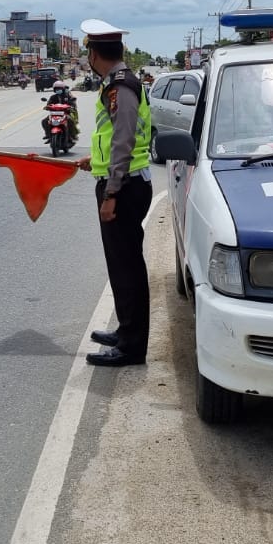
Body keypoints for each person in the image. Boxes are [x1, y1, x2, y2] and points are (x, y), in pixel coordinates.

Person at [75, 19, 153, 367]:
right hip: (124, 182)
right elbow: (115, 140)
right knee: (122, 265)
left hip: (124, 188)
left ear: (94, 54)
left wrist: (111, 194)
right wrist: (94, 161)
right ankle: (126, 331)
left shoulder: (120, 87)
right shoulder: (117, 84)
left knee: (127, 267)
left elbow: (124, 141)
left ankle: (132, 347)